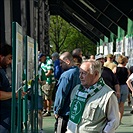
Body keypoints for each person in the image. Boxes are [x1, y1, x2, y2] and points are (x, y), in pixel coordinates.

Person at [67, 60, 120, 133]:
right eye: (80, 73)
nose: (80, 77)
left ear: (95, 74)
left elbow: (114, 121)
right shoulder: (76, 90)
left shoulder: (108, 95)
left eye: (84, 73)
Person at [0, 44, 25, 132]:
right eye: (9, 58)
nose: (10, 61)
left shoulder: (2, 70)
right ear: (1, 56)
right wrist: (14, 94)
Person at [54, 52, 80, 133]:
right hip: (77, 112)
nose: (60, 65)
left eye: (61, 63)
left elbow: (61, 94)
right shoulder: (79, 72)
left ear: (67, 61)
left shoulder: (66, 75)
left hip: (65, 112)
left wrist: (57, 110)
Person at [112, 55, 130, 123]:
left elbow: (112, 77)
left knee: (116, 104)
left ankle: (115, 119)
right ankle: (120, 119)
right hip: (124, 86)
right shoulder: (126, 70)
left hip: (117, 87)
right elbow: (128, 78)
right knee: (122, 104)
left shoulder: (115, 69)